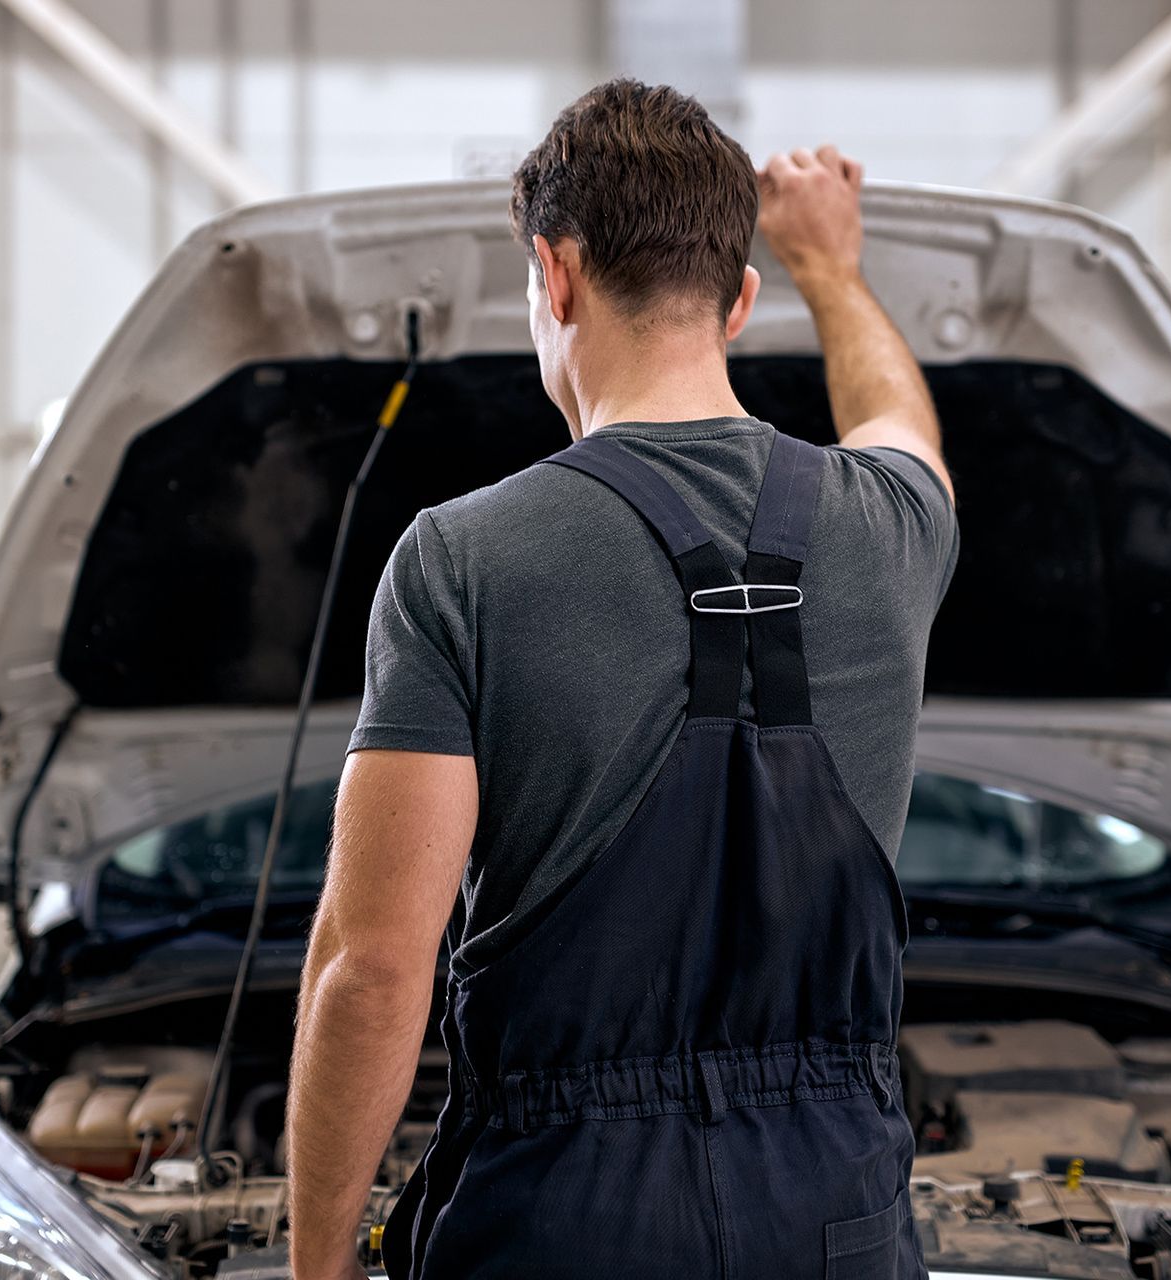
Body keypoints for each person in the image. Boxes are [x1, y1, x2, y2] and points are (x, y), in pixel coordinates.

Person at [285, 78, 956, 1280]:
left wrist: (320, 1259)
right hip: (834, 1217)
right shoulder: (895, 525)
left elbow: (376, 961)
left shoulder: (460, 558)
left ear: (555, 274)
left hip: (560, 1219)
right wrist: (834, 268)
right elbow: (902, 424)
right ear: (741, 300)